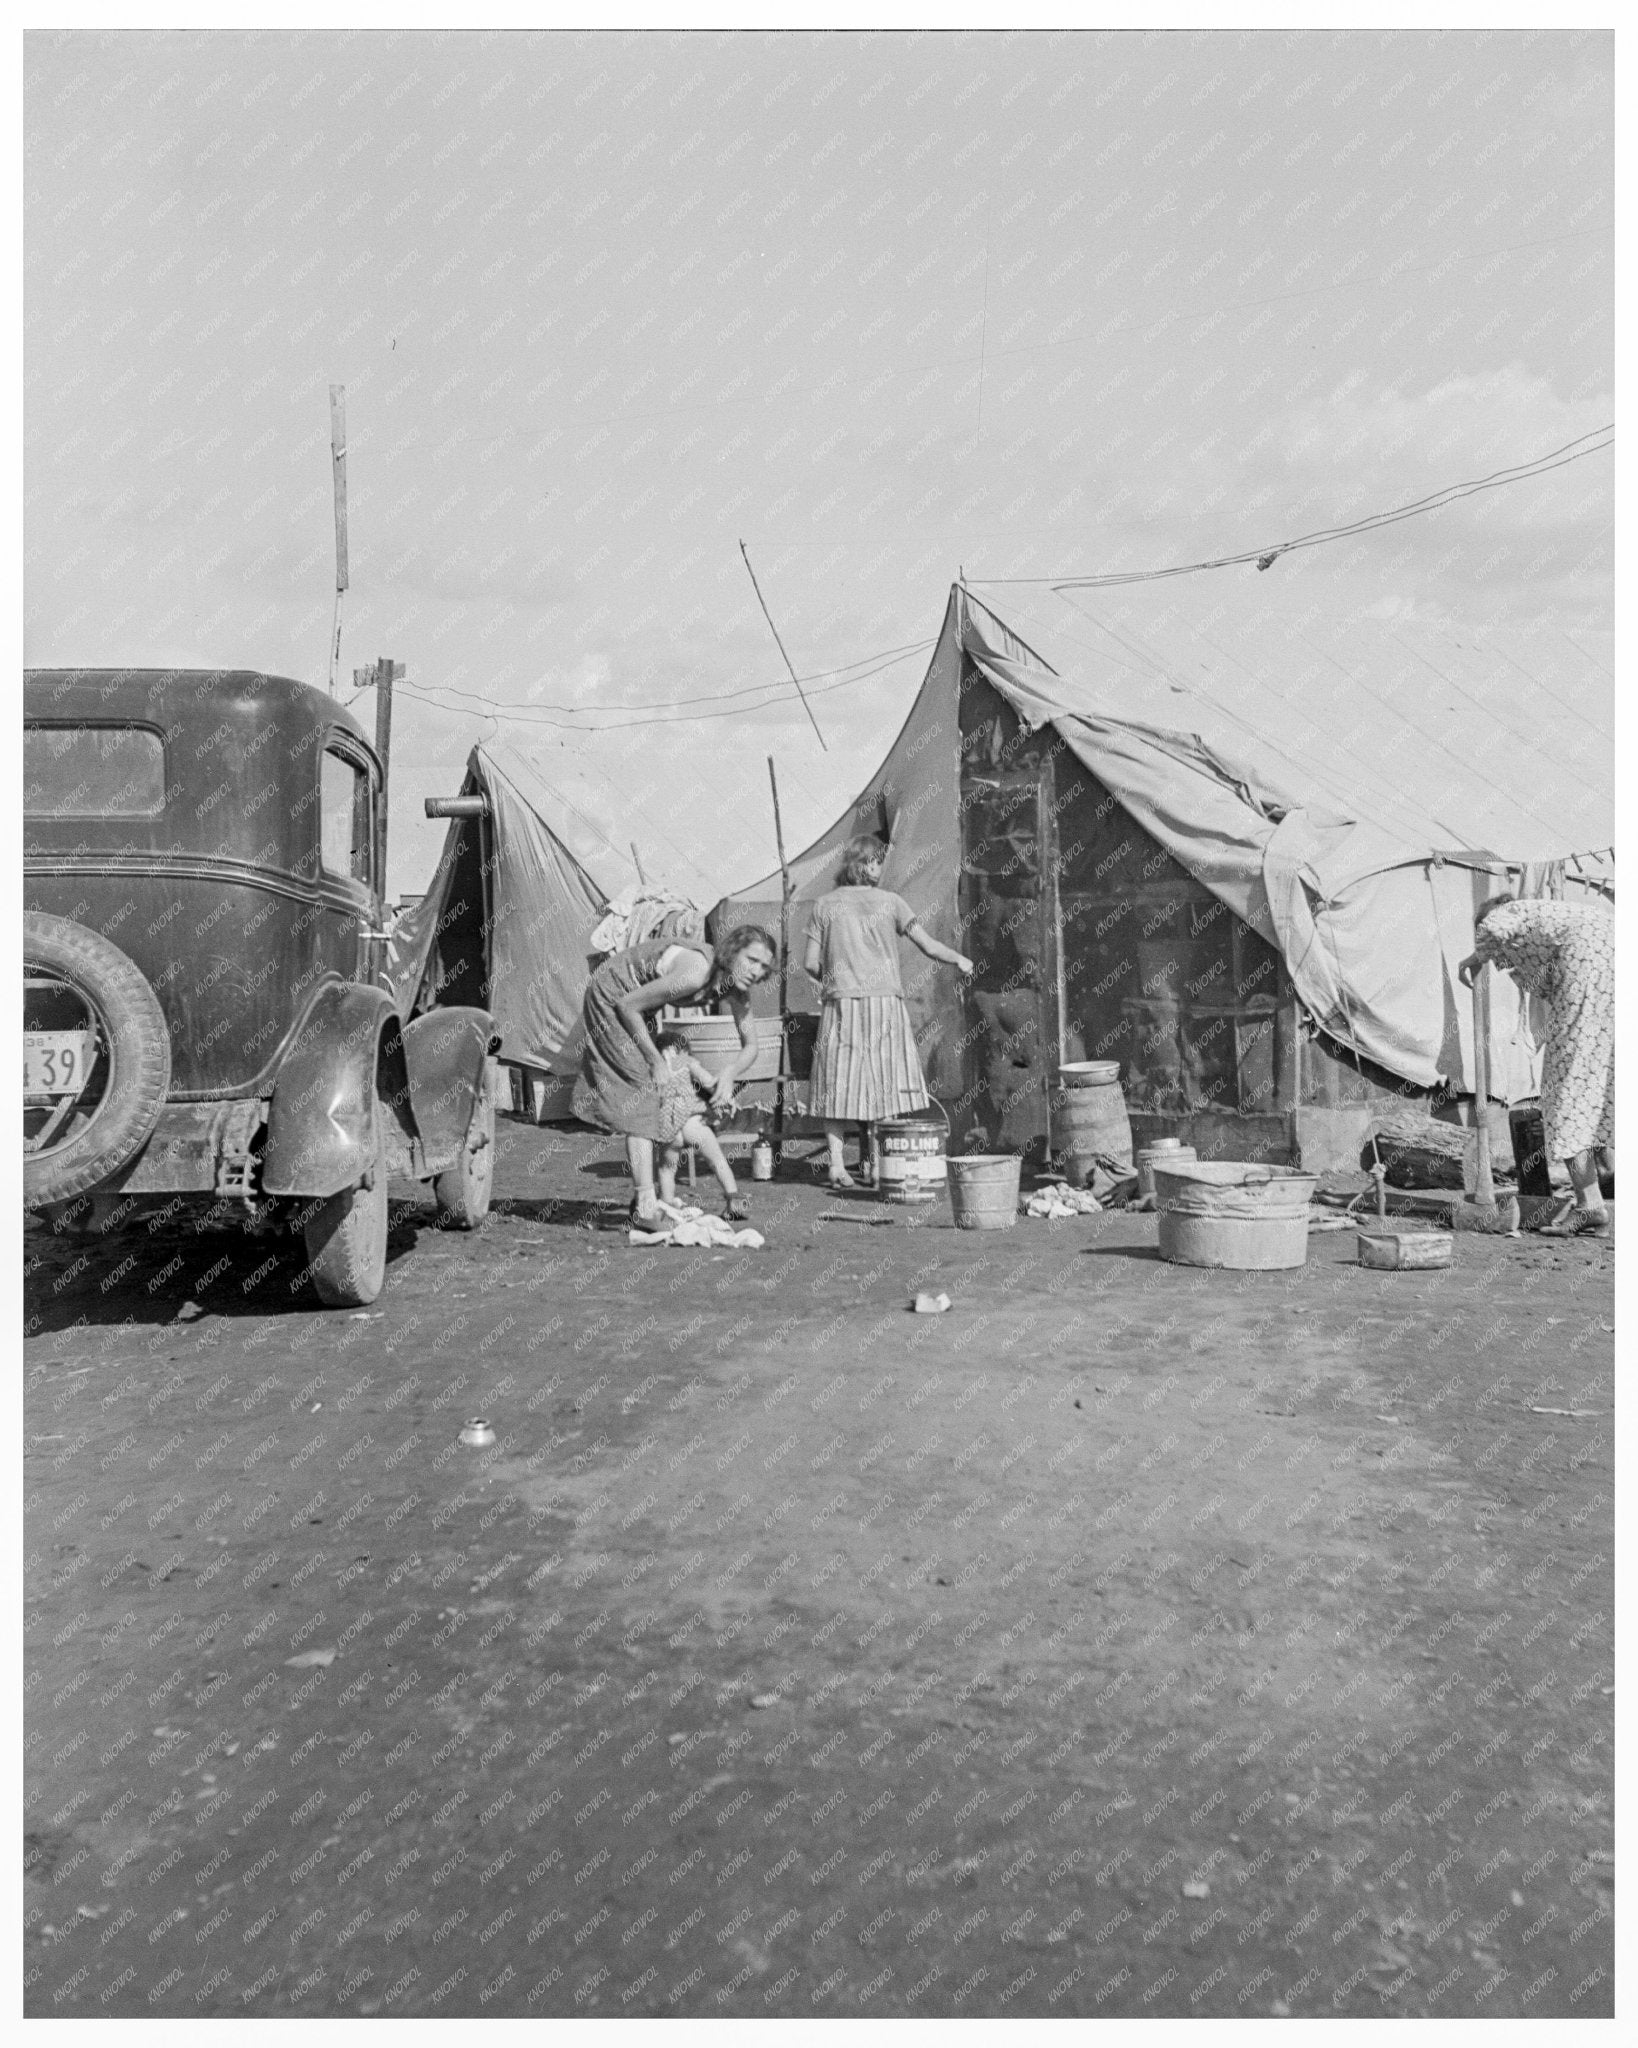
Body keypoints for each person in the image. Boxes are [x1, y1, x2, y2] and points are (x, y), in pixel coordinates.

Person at [575, 924, 776, 1228]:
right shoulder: (697, 972)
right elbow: (627, 1005)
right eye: (751, 959)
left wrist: (729, 1074)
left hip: (637, 1004)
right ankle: (644, 1207)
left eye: (764, 967)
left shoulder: (737, 991)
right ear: (733, 951)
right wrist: (655, 1060)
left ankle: (645, 1198)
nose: (756, 971)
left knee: (650, 1095)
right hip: (612, 993)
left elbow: (751, 1046)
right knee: (641, 1093)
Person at [803, 836, 974, 1189]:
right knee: (886, 1086)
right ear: (865, 864)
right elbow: (928, 945)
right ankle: (878, 1166)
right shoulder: (892, 902)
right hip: (884, 1004)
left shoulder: (824, 905)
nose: (880, 869)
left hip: (841, 1003)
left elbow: (809, 963)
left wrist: (838, 977)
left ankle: (837, 1167)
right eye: (877, 862)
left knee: (838, 1086)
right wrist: (959, 958)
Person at [1458, 894, 1613, 1236]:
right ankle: (1594, 1199)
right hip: (1612, 970)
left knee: (1565, 1093)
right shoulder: (1552, 919)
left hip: (1587, 967)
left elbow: (1493, 927)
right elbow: (1542, 981)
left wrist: (1473, 958)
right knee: (1599, 1086)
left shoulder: (1509, 913)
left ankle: (1590, 1205)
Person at [651, 1031, 745, 1217]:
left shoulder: (655, 1066)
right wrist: (726, 1097)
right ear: (682, 1050)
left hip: (668, 1126)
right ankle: (734, 1202)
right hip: (693, 1121)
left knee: (667, 1169)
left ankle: (667, 1207)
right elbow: (709, 1081)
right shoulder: (686, 1061)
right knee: (717, 1160)